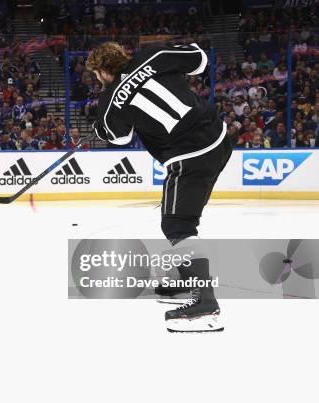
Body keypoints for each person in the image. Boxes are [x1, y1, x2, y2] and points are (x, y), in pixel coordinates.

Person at [88, 41, 232, 333]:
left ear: (103, 71)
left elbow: (117, 137)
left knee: (177, 226)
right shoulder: (154, 55)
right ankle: (187, 279)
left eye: (97, 75)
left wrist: (99, 125)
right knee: (181, 217)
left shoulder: (109, 99)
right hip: (218, 137)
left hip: (188, 157)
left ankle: (206, 305)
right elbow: (200, 58)